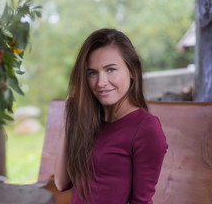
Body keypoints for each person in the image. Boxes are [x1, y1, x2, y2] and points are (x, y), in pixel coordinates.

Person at [54, 28, 168, 203]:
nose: (101, 83)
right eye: (92, 72)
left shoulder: (146, 128)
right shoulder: (88, 121)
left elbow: (140, 201)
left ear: (132, 70)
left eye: (110, 70)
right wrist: (70, 117)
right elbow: (61, 183)